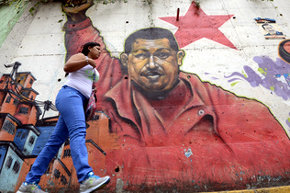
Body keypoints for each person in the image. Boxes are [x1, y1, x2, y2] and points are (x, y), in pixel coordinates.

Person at [61, 6, 290, 192]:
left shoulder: (234, 108)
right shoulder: (115, 86)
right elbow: (90, 50)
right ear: (126, 60)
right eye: (141, 56)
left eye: (161, 55)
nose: (152, 65)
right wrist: (77, 17)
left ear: (178, 58)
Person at [16, 42, 110, 193]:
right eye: (98, 48)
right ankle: (86, 178)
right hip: (70, 95)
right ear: (89, 49)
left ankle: (29, 184)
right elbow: (67, 68)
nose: (100, 51)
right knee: (78, 132)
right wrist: (87, 61)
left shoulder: (92, 68)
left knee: (54, 143)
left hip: (78, 101)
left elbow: (87, 85)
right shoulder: (81, 57)